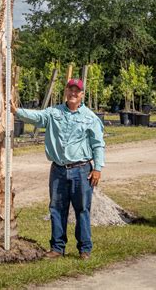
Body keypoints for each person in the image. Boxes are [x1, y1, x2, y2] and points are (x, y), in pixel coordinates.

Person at [11, 78, 105, 259]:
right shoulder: (54, 113)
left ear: (82, 95)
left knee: (82, 209)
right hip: (58, 170)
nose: (73, 94)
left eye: (77, 91)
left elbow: (98, 145)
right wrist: (17, 111)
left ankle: (85, 249)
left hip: (82, 170)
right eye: (70, 90)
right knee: (56, 208)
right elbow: (37, 117)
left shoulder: (90, 118)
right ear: (65, 92)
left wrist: (98, 168)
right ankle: (57, 248)